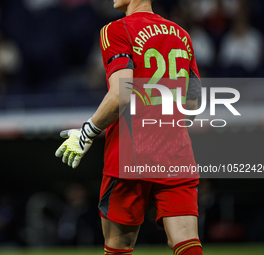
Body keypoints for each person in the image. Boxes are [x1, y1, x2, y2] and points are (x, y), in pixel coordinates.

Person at [55, 0, 203, 254]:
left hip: (131, 153)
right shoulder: (182, 35)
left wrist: (87, 133)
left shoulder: (115, 30)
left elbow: (120, 95)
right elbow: (193, 101)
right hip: (176, 151)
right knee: (185, 240)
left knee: (118, 246)